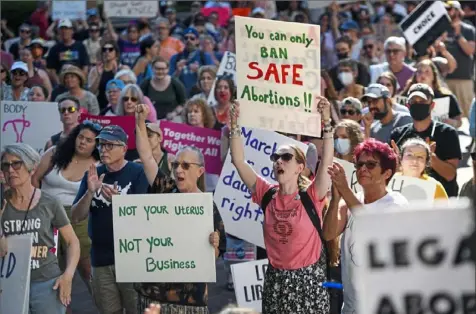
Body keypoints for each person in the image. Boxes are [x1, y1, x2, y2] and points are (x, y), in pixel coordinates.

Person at [229, 96, 333, 313]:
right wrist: (234, 125)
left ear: (299, 167)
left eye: (286, 157)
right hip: (275, 282)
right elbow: (239, 161)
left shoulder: (312, 195)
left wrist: (327, 123)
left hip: (308, 283)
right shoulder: (266, 194)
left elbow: (327, 164)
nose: (278, 161)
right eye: (275, 157)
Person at [134, 103, 226, 313]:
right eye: (176, 165)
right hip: (153, 296)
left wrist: (214, 245)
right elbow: (146, 156)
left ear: (200, 171)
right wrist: (139, 120)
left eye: (186, 166)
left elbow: (213, 257)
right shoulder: (164, 189)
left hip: (189, 300)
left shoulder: (207, 207)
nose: (178, 169)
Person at [71, 125, 149, 314]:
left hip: (132, 258)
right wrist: (90, 193)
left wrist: (119, 202)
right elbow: (76, 216)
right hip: (101, 259)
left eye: (109, 145)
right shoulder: (92, 174)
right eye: (100, 144)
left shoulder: (138, 172)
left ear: (123, 148)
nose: (103, 149)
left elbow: (146, 215)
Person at [324, 138, 408, 314]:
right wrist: (336, 198)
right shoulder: (348, 201)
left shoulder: (397, 203)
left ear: (386, 173)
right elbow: (328, 234)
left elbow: (371, 227)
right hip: (351, 306)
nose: (363, 169)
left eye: (371, 165)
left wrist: (345, 190)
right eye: (359, 164)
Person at [1, 143, 80, 314]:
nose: (11, 170)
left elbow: (72, 242)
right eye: (5, 165)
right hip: (9, 283)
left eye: (16, 164)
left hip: (46, 283)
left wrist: (68, 275)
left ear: (31, 167)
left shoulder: (49, 202)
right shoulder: (2, 204)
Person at [32, 121, 102, 297]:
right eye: (80, 137)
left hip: (78, 218)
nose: (83, 142)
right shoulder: (55, 152)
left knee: (87, 269)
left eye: (89, 140)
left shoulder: (98, 163)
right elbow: (34, 178)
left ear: (96, 144)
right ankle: (62, 307)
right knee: (53, 268)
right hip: (47, 216)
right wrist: (38, 205)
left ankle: (106, 306)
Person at [390, 83, 462, 197]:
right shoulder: (398, 135)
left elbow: (450, 175)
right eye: (414, 101)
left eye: (422, 102)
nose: (418, 104)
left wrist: (430, 157)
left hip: (439, 200)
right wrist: (397, 162)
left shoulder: (448, 133)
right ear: (408, 106)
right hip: (406, 200)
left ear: (432, 105)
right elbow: (391, 175)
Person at [401, 59, 463, 129]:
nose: (423, 75)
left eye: (427, 71)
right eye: (419, 72)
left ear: (434, 76)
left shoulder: (447, 96)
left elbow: (459, 121)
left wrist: (452, 122)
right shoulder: (406, 96)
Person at [443, 0, 475, 118]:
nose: (446, 12)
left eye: (449, 9)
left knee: (469, 114)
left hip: (463, 78)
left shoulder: (467, 29)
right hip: (444, 78)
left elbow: (470, 50)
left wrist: (458, 35)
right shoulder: (441, 29)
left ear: (457, 10)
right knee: (447, 115)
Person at [169, 27, 214, 96]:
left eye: (192, 38)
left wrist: (198, 70)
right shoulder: (175, 58)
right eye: (186, 38)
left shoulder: (205, 57)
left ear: (197, 41)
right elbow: (169, 81)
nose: (188, 40)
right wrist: (177, 71)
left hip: (201, 96)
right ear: (183, 40)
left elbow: (213, 78)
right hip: (181, 97)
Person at [46, 19, 90, 86]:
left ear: (72, 30)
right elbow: (52, 70)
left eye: (66, 28)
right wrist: (60, 84)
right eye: (61, 29)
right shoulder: (54, 49)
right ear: (58, 31)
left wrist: (80, 81)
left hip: (78, 82)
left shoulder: (80, 46)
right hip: (61, 83)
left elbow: (85, 66)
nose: (64, 31)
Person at [88, 40, 128, 110]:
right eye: (104, 50)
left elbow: (127, 90)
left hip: (119, 107)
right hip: (100, 107)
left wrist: (116, 74)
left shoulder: (123, 69)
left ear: (116, 53)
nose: (107, 52)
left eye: (110, 49)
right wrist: (99, 76)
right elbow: (91, 92)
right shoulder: (95, 70)